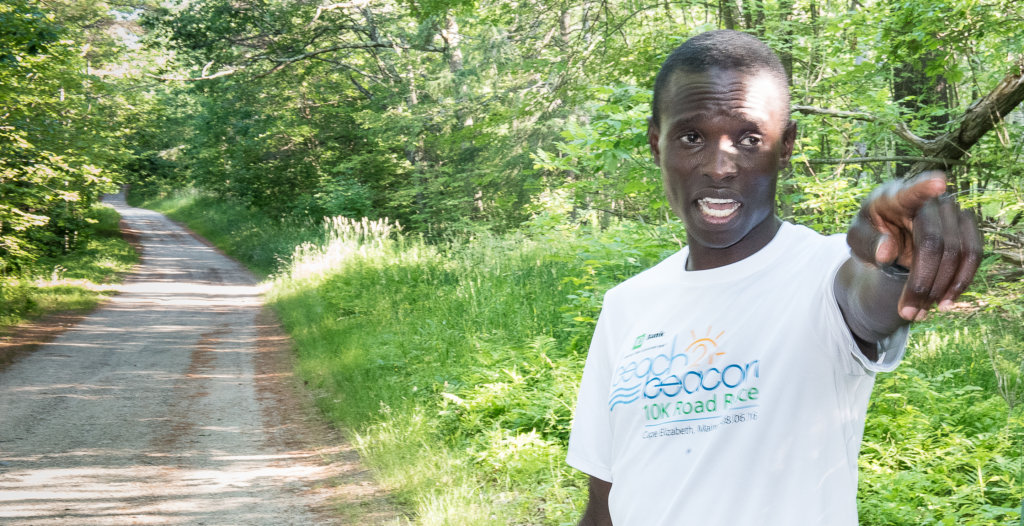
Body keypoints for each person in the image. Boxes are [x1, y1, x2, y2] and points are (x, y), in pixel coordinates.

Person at [566, 29, 982, 526]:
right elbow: (604, 497)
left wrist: (895, 261)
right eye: (691, 137)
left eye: (749, 138)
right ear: (658, 144)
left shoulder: (824, 272)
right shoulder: (627, 305)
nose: (720, 166)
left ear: (785, 147)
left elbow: (867, 299)